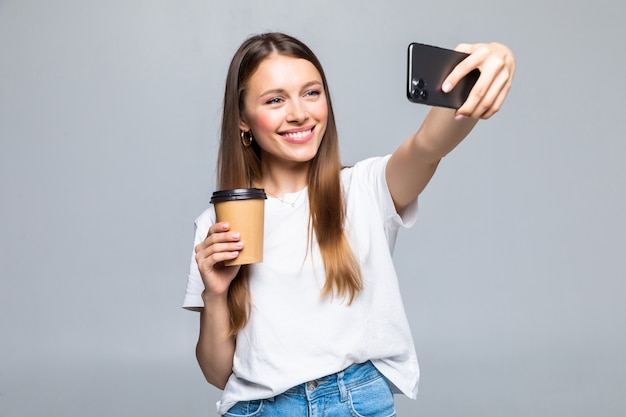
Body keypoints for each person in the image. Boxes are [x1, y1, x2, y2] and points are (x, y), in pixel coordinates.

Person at [183, 32, 515, 416]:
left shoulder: (365, 188)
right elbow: (217, 372)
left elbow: (427, 146)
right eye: (275, 100)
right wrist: (216, 294)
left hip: (356, 402)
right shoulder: (219, 223)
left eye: (312, 93)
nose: (299, 113)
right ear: (243, 119)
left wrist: (493, 62)